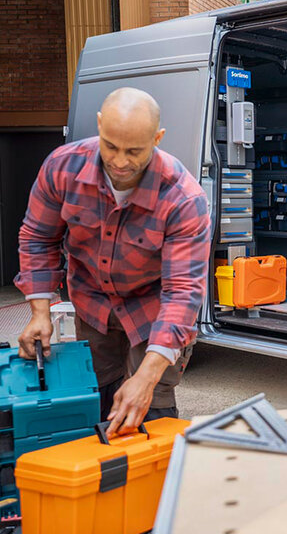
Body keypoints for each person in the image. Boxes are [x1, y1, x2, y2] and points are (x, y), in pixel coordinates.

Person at [15, 87, 211, 437]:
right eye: (111, 146)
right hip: (92, 304)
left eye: (134, 151)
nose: (120, 161)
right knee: (98, 393)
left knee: (149, 405)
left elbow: (182, 292)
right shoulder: (62, 167)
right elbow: (38, 236)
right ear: (100, 126)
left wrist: (147, 377)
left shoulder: (183, 198)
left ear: (157, 138)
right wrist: (40, 312)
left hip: (155, 311)